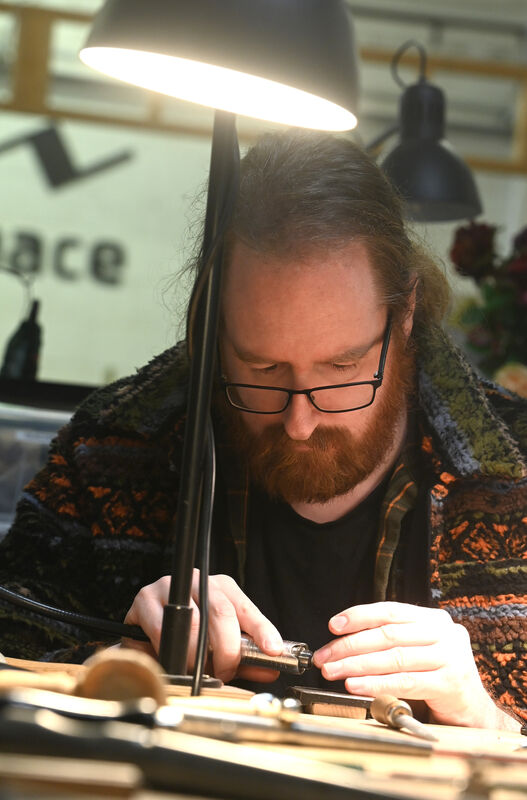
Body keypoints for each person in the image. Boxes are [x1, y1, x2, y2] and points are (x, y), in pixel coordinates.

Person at [1, 130, 526, 731]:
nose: (299, 423)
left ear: (403, 313)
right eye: (261, 369)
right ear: (211, 325)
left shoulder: (514, 477)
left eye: (341, 368)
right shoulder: (113, 448)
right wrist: (118, 665)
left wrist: (489, 720)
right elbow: (14, 647)